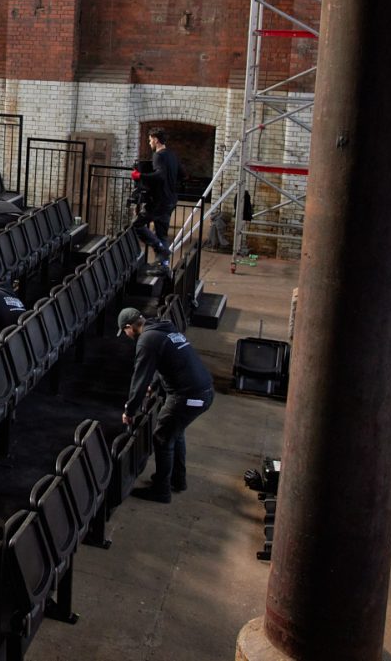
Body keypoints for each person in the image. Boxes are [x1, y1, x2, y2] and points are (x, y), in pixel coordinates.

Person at [118, 306, 214, 503]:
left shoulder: (146, 340)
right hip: (203, 391)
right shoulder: (164, 329)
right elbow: (168, 362)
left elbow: (139, 379)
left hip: (188, 395)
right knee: (174, 433)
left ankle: (161, 491)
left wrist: (130, 410)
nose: (126, 336)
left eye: (125, 332)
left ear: (130, 327)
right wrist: (154, 385)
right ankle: (177, 480)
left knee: (162, 437)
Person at [131, 127, 182, 276]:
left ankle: (160, 249)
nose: (149, 142)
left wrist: (139, 176)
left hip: (159, 201)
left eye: (150, 140)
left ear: (156, 140)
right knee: (162, 233)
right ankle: (163, 266)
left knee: (137, 225)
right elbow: (183, 174)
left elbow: (159, 175)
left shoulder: (158, 156)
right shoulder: (172, 155)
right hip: (171, 200)